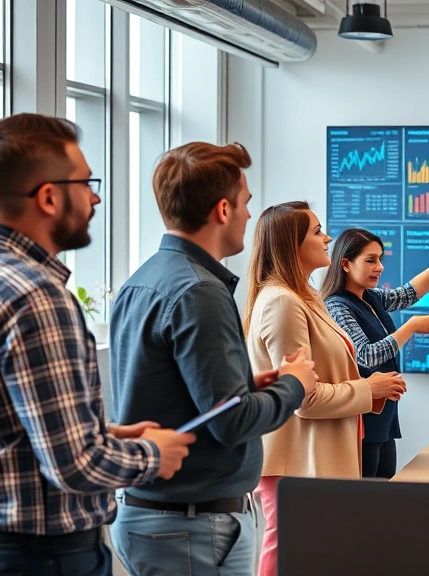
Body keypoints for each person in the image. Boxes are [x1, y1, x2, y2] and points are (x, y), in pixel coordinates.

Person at [0, 113, 195, 576]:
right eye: (85, 183)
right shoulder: (36, 298)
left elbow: (1, 426)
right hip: (42, 554)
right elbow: (74, 466)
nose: (94, 197)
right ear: (49, 197)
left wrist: (103, 433)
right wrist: (157, 453)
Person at [108, 143, 318, 576]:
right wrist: (294, 384)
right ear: (223, 209)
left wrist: (249, 383)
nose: (247, 217)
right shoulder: (199, 290)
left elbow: (181, 394)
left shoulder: (142, 280)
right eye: (245, 205)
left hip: (164, 517)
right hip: (190, 523)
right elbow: (232, 421)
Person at [245, 202, 407, 576]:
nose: (328, 238)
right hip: (295, 465)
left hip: (314, 461)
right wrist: (368, 388)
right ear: (291, 244)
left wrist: (371, 390)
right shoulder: (282, 303)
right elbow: (302, 397)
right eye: (317, 231)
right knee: (286, 557)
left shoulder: (304, 297)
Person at [320, 228, 429, 478]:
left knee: (384, 498)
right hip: (363, 420)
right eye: (370, 260)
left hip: (385, 419)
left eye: (380, 259)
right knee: (366, 504)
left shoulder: (371, 297)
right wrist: (409, 327)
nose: (379, 267)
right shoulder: (336, 305)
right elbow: (367, 355)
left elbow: (409, 293)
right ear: (345, 264)